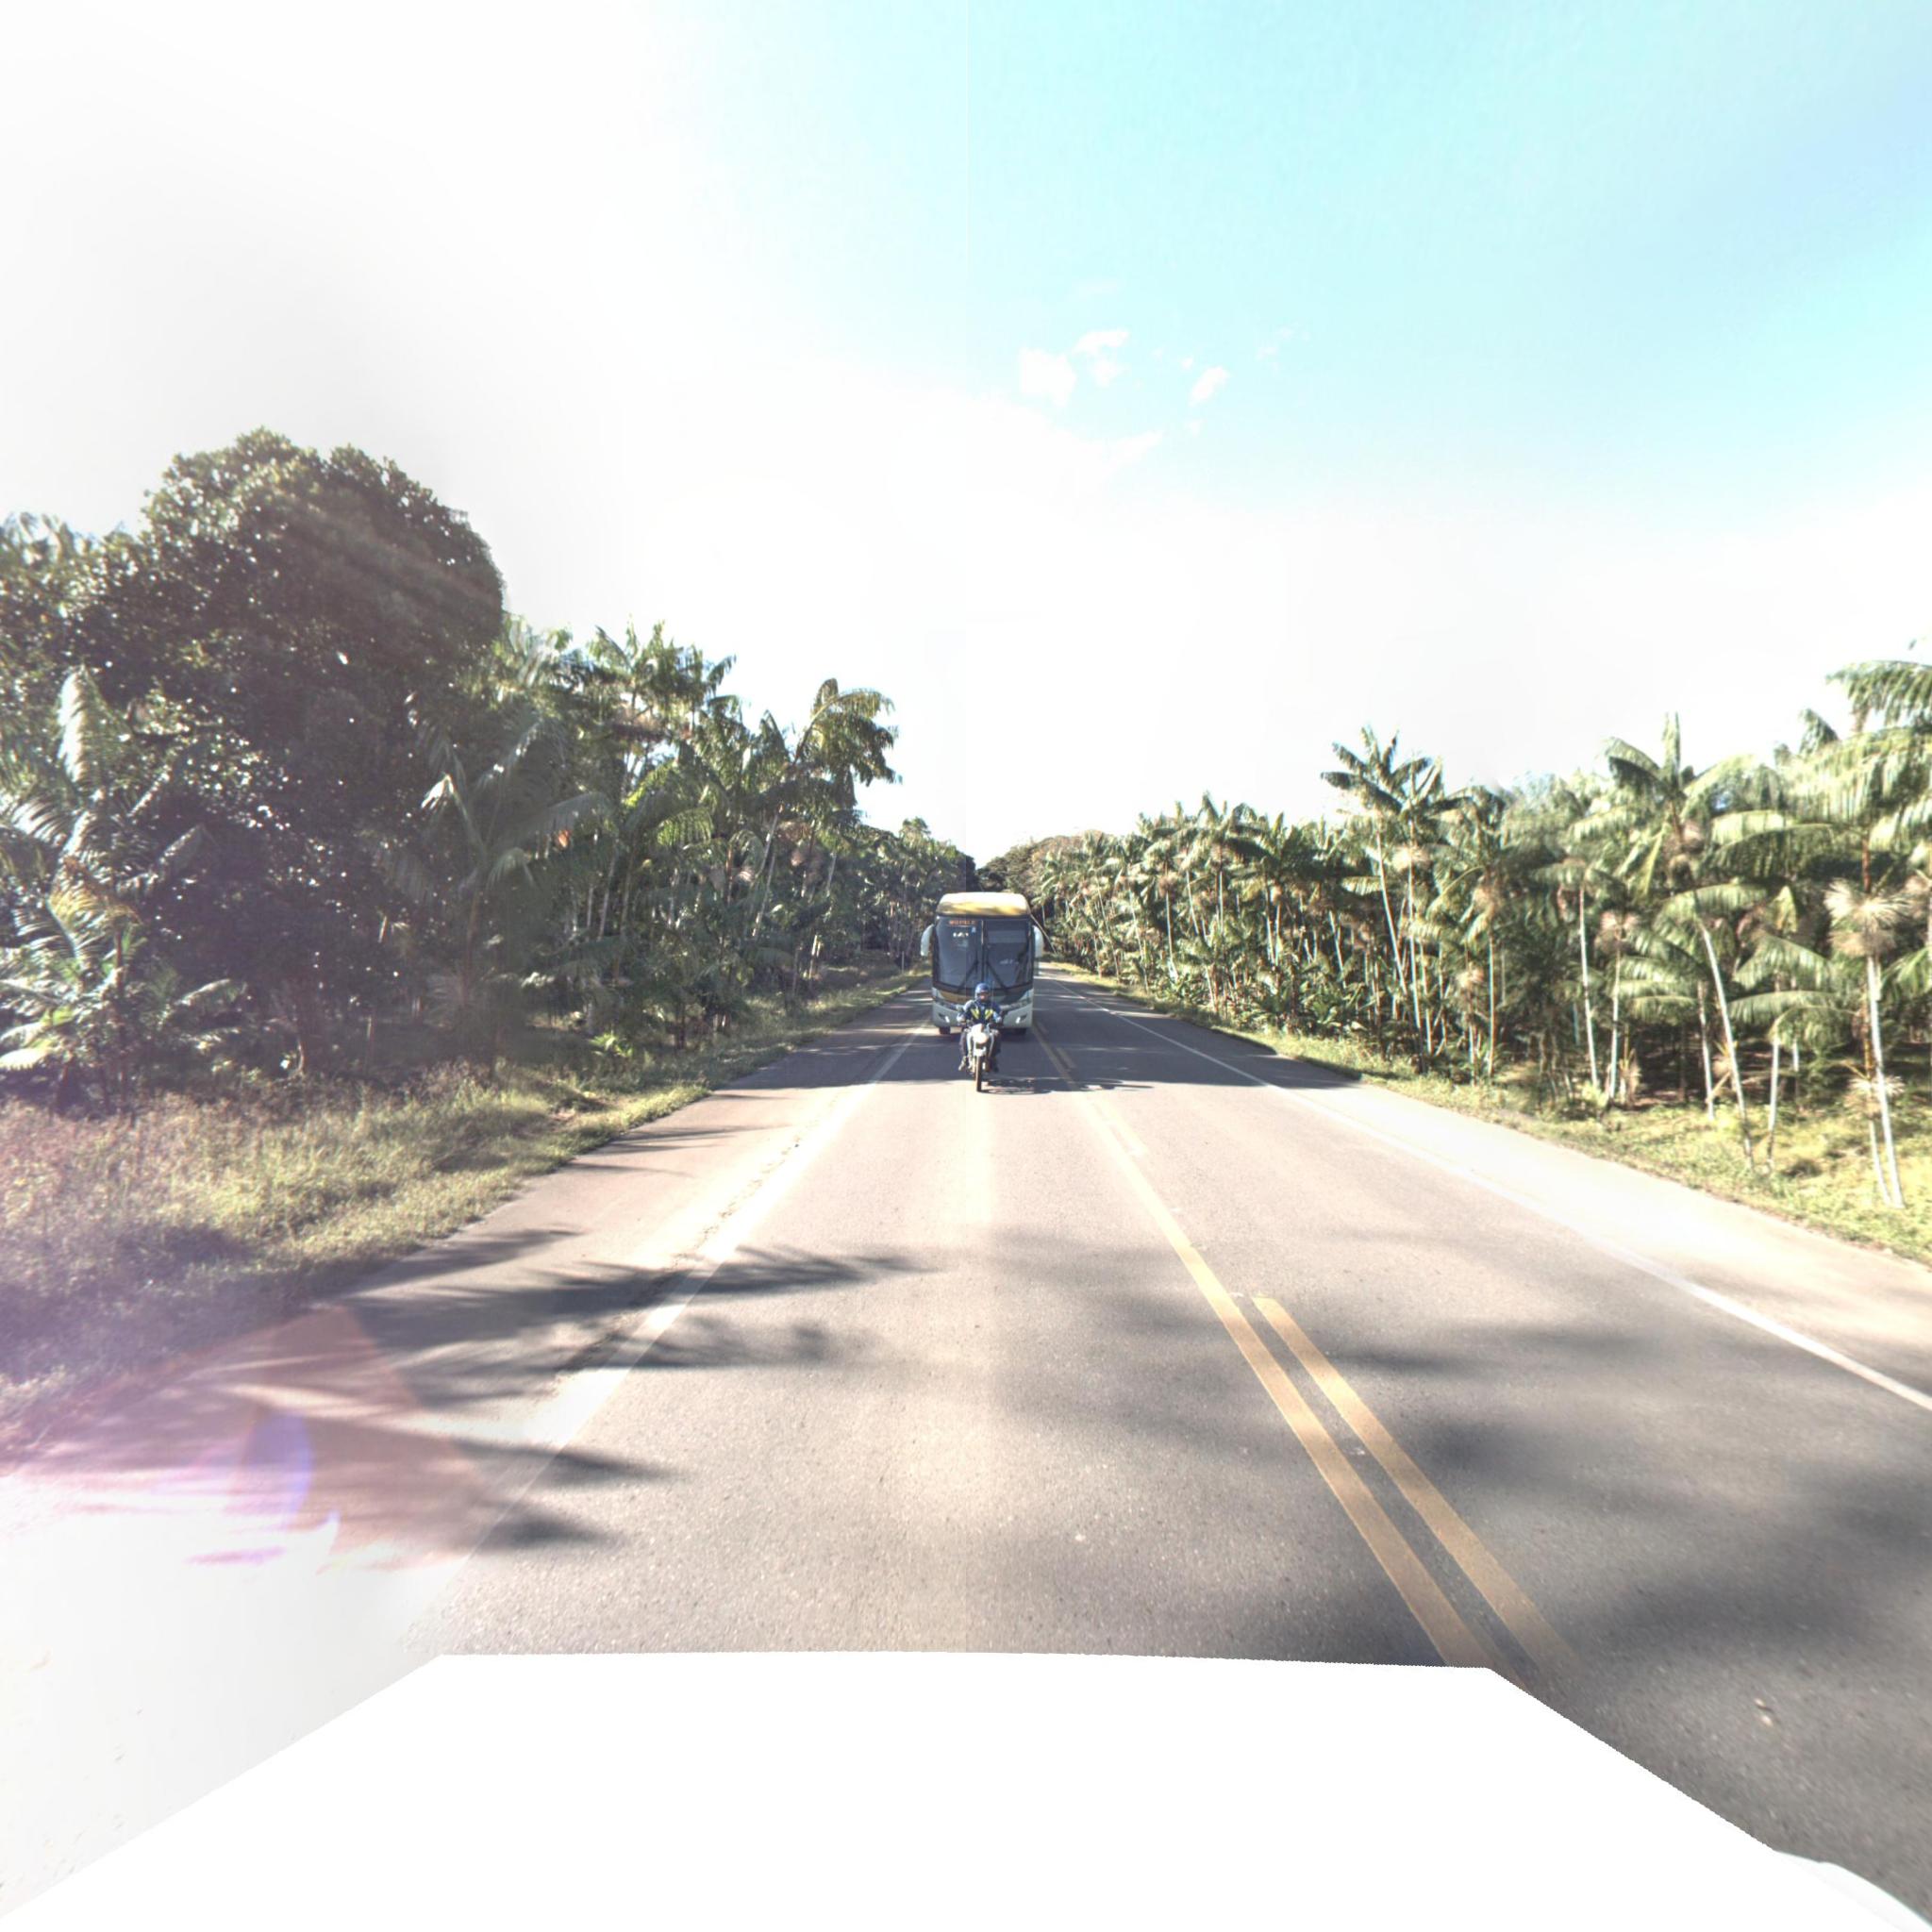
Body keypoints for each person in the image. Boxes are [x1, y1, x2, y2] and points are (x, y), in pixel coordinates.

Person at [958, 981, 1003, 1074]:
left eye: (985, 994)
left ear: (989, 994)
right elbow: (963, 1013)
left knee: (996, 1034)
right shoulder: (970, 1004)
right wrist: (962, 1018)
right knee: (965, 1035)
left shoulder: (993, 1005)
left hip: (987, 1028)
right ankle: (965, 1058)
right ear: (977, 994)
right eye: (981, 994)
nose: (983, 996)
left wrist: (998, 1018)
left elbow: (997, 1013)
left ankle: (992, 1058)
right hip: (973, 1028)